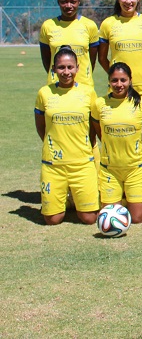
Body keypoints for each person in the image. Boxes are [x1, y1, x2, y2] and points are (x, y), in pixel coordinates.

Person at [34, 46, 98, 225]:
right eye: (61, 67)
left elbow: (93, 127)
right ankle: (66, 199)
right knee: (52, 220)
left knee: (89, 218)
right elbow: (41, 127)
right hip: (54, 164)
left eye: (70, 67)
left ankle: (74, 199)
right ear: (53, 69)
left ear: (78, 68)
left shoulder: (88, 92)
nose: (66, 72)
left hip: (82, 163)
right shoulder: (44, 93)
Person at [91, 62, 142, 224]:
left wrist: (138, 149)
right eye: (114, 80)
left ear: (130, 80)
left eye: (123, 80)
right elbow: (99, 131)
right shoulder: (99, 104)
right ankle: (124, 198)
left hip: (135, 167)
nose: (119, 84)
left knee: (137, 218)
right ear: (109, 81)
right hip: (109, 169)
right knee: (109, 215)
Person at [98, 0, 142, 101]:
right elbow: (102, 58)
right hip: (118, 86)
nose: (128, 1)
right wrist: (116, 75)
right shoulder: (108, 24)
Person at [39, 0, 99, 89]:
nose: (68, 5)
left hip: (84, 86)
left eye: (73, 2)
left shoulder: (90, 25)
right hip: (56, 86)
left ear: (79, 2)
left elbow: (92, 60)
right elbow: (47, 61)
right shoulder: (48, 26)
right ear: (58, 2)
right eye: (64, 2)